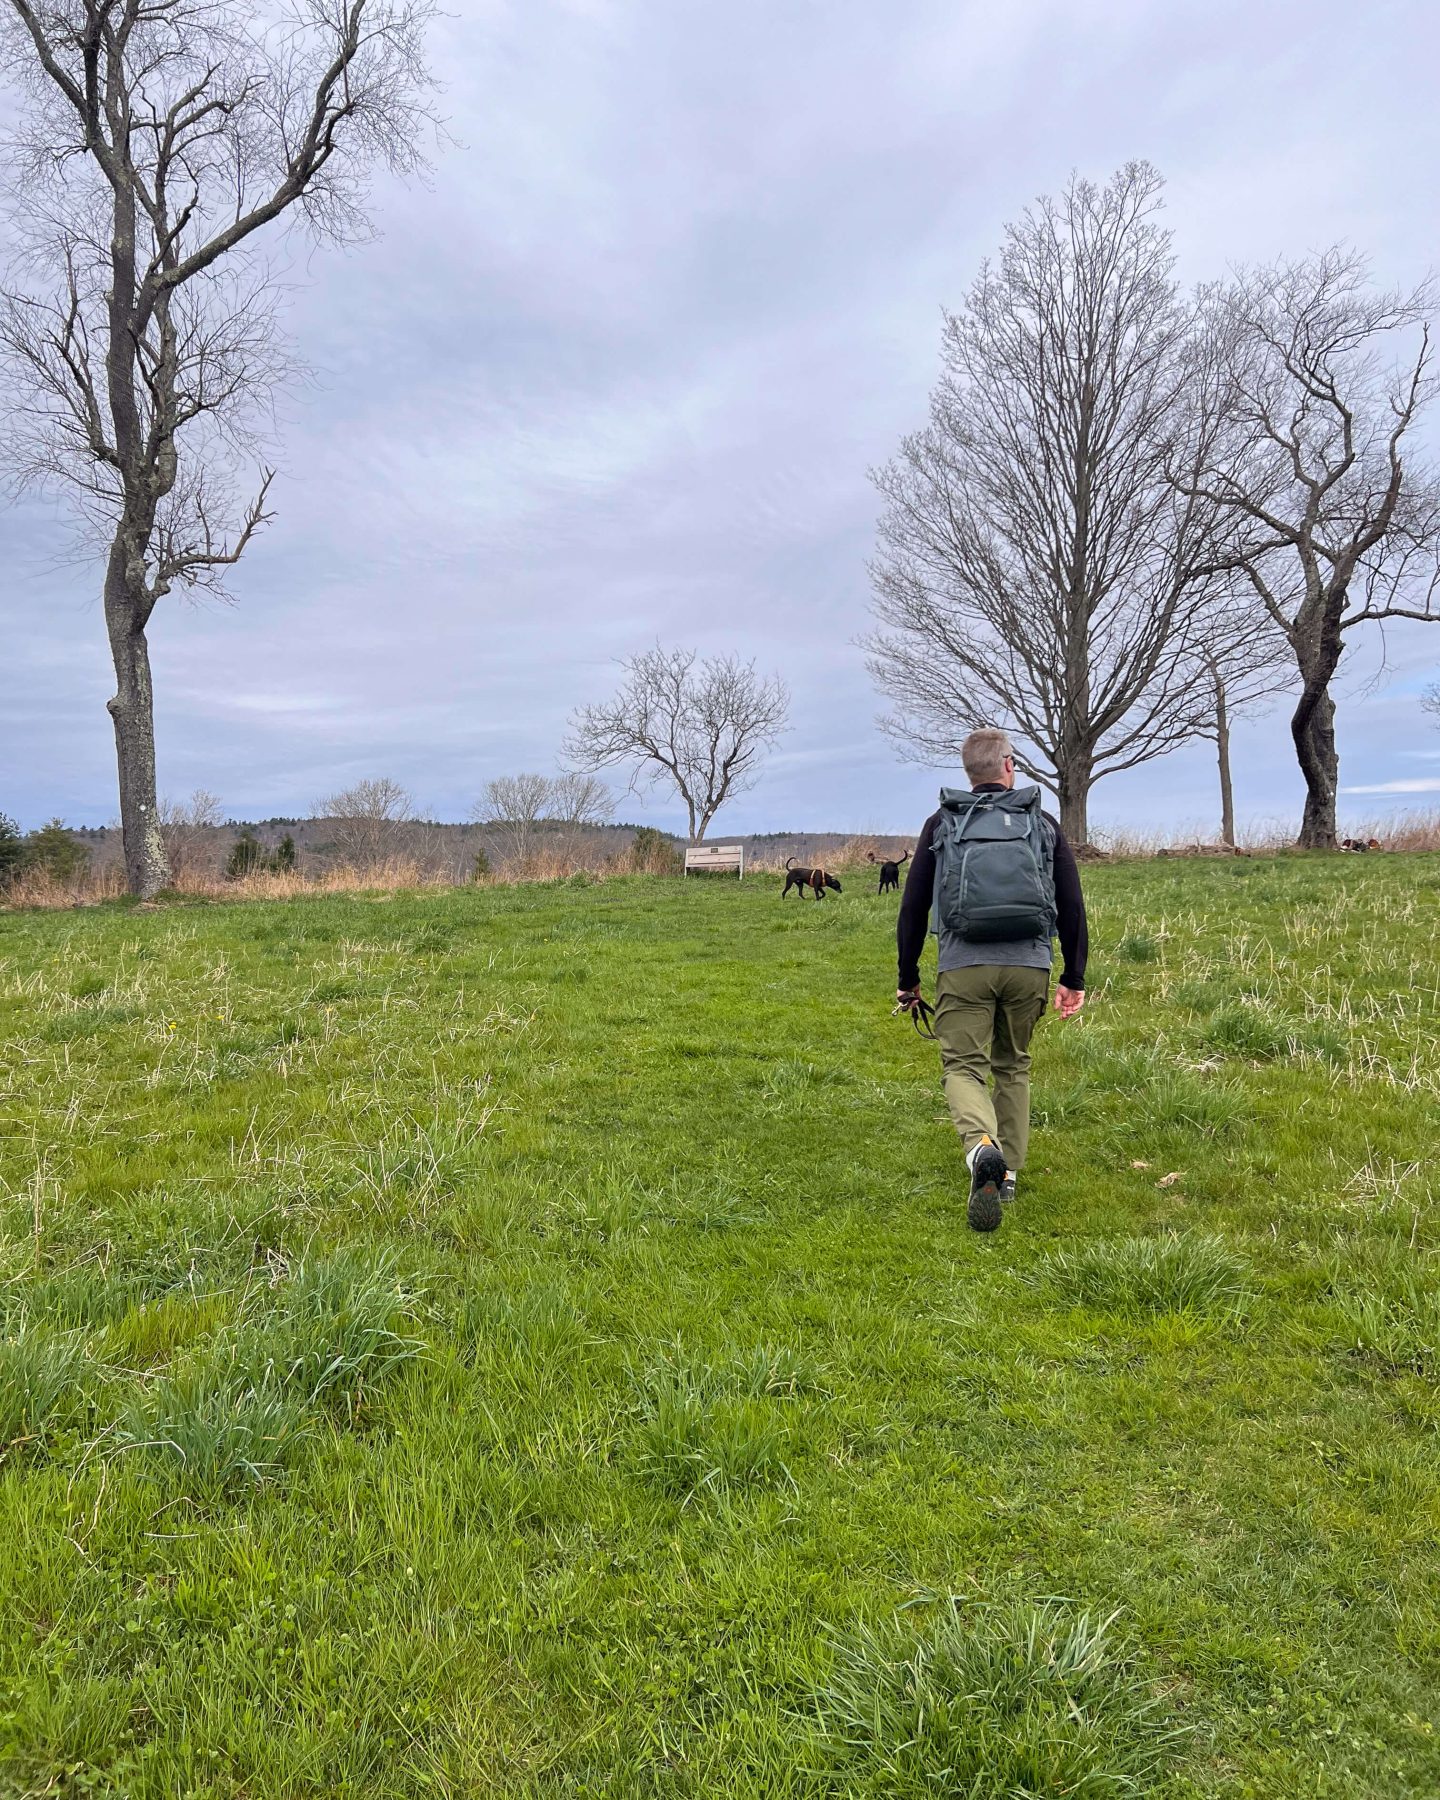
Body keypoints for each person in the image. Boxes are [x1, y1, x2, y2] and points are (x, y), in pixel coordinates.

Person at [895, 728, 1088, 1232]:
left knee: (963, 1065)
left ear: (969, 773)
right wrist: (1073, 974)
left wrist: (908, 976)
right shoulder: (1040, 823)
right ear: (1008, 766)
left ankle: (982, 1146)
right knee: (1013, 1065)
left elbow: (914, 906)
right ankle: (1008, 1176)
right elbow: (1071, 904)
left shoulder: (942, 822)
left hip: (963, 965)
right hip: (1029, 963)